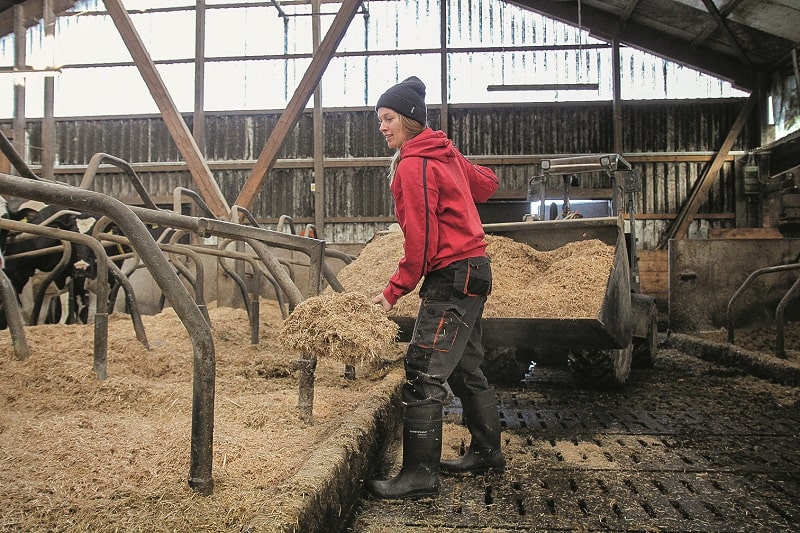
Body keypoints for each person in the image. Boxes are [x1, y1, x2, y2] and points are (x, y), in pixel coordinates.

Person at [365, 76, 505, 500]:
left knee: (423, 370)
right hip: (476, 270)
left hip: (451, 274)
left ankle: (419, 476)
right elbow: (487, 184)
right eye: (379, 120)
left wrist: (393, 292)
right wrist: (451, 155)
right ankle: (486, 453)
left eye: (388, 118)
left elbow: (420, 243)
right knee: (465, 365)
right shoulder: (439, 153)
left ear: (409, 119)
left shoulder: (414, 163)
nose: (382, 127)